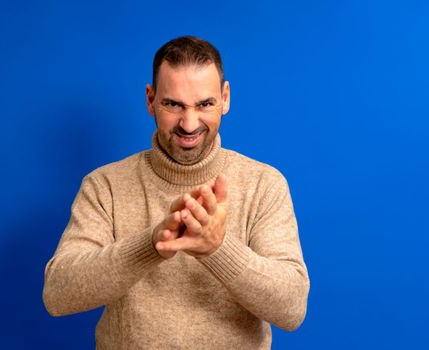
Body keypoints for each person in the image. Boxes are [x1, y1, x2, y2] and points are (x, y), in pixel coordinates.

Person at [43, 36, 310, 349]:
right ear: (150, 99)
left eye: (205, 104)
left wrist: (218, 248)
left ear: (225, 98)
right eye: (173, 104)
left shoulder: (264, 184)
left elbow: (291, 309)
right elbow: (58, 295)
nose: (189, 123)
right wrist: (151, 244)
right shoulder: (104, 186)